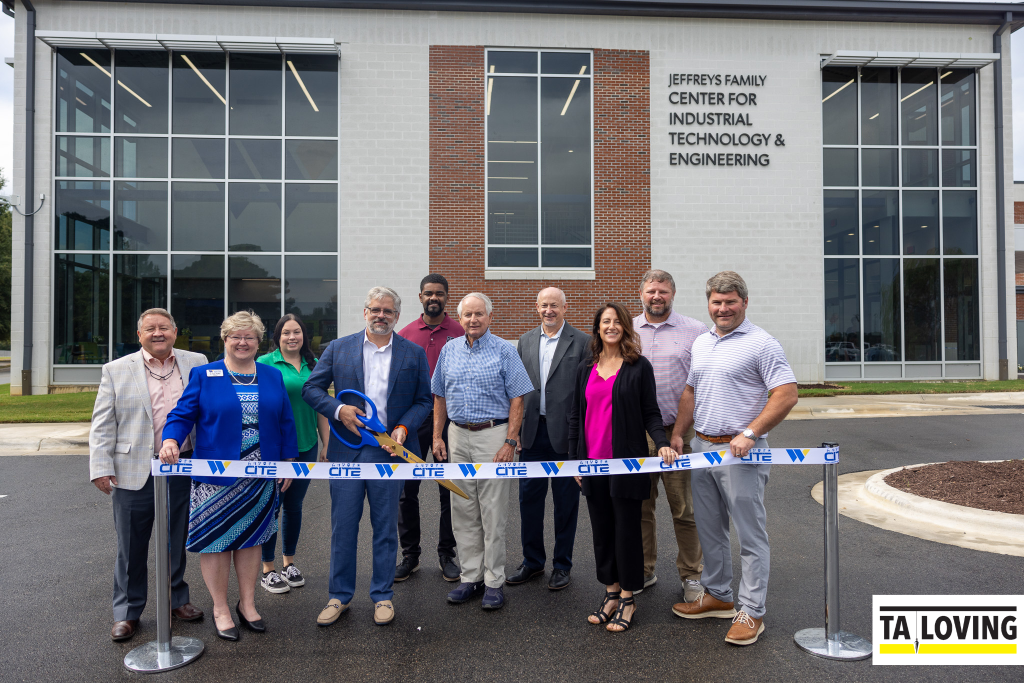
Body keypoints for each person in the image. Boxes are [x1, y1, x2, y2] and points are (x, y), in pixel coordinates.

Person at [667, 271, 798, 646]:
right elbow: (691, 391)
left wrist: (751, 433)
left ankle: (752, 611)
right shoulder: (704, 342)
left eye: (730, 302)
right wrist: (679, 433)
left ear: (744, 302)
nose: (722, 308)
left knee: (750, 535)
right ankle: (718, 595)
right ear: (708, 303)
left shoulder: (762, 344)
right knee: (710, 529)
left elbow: (786, 393)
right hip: (702, 450)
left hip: (740, 452)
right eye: (716, 302)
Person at [158, 311, 299, 641]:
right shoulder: (205, 375)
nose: (242, 342)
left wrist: (288, 459)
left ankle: (247, 604)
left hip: (260, 477)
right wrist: (170, 440)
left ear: (258, 341)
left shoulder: (271, 375)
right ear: (225, 339)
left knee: (251, 541)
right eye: (236, 336)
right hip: (215, 479)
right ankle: (220, 608)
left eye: (249, 337)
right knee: (217, 543)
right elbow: (182, 414)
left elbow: (285, 420)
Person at [302, 286, 432, 627]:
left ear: (397, 316)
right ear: (365, 312)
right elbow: (311, 389)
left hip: (389, 452)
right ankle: (339, 596)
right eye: (375, 309)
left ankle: (382, 596)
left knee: (385, 527)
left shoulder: (413, 353)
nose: (381, 316)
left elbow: (424, 402)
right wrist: (339, 409)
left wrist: (404, 427)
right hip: (346, 450)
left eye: (388, 311)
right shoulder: (338, 348)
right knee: (343, 526)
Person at [89, 308, 207, 642]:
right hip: (132, 470)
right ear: (139, 334)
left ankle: (176, 600)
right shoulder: (115, 369)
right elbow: (102, 423)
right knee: (131, 545)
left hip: (182, 466)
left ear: (175, 331)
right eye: (150, 328)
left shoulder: (196, 362)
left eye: (164, 328)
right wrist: (100, 465)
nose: (158, 333)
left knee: (175, 539)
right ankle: (127, 612)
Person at [568, 302, 676, 633]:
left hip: (626, 464)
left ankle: (629, 598)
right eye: (605, 322)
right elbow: (576, 416)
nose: (611, 326)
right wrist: (575, 460)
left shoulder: (637, 366)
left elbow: (651, 412)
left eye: (617, 322)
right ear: (597, 328)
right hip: (592, 464)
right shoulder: (585, 367)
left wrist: (662, 443)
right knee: (601, 531)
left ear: (625, 327)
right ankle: (611, 592)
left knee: (627, 532)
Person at [431, 293, 533, 610]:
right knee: (462, 509)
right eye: (467, 315)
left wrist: (510, 441)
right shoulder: (449, 350)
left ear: (490, 317)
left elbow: (519, 398)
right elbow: (439, 396)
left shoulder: (505, 350)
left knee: (492, 511)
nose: (473, 320)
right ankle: (470, 576)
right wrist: (438, 436)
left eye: (479, 314)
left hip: (494, 435)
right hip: (457, 435)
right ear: (459, 319)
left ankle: (493, 581)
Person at [634, 269, 707, 600]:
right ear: (642, 295)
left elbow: (699, 386)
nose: (656, 297)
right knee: (640, 507)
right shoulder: (628, 329)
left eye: (662, 291)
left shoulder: (695, 331)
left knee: (684, 509)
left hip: (676, 435)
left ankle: (692, 575)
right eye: (651, 291)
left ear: (672, 294)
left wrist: (679, 432)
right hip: (635, 435)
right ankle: (645, 569)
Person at [508, 287, 587, 591]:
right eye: (544, 306)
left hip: (566, 436)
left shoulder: (582, 342)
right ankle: (532, 562)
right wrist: (513, 434)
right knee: (529, 501)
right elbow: (516, 387)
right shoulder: (526, 341)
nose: (549, 311)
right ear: (536, 308)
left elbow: (586, 393)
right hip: (532, 433)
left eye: (555, 305)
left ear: (565, 308)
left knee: (566, 503)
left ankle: (562, 565)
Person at [394, 274, 465, 582]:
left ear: (447, 297)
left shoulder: (462, 332)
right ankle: (410, 555)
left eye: (439, 293)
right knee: (406, 490)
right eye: (428, 293)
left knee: (448, 488)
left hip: (450, 420)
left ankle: (446, 553)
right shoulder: (406, 333)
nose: (433, 297)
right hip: (414, 419)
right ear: (420, 297)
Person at [257, 314, 330, 594]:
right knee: (271, 507)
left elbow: (321, 407)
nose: (291, 337)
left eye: (297, 332)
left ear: (304, 336)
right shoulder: (265, 364)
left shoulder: (315, 365)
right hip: (275, 450)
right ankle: (268, 568)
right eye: (286, 332)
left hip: (307, 445)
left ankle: (289, 563)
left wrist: (326, 444)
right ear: (277, 336)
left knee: (294, 507)